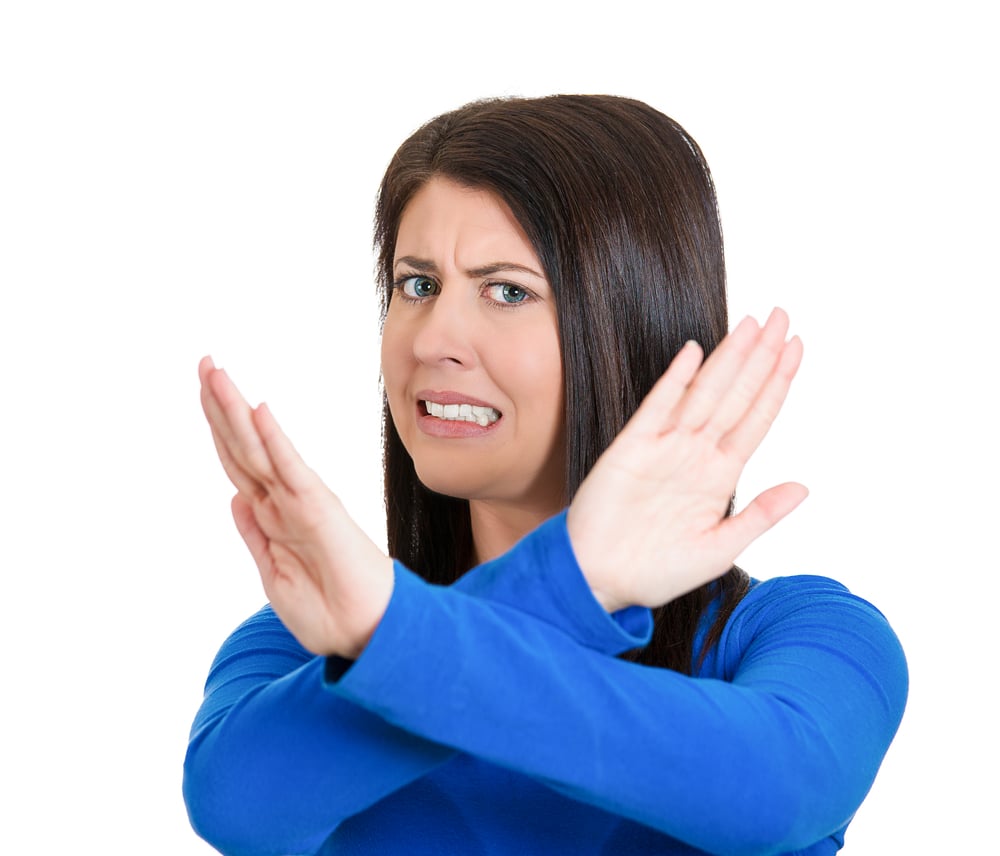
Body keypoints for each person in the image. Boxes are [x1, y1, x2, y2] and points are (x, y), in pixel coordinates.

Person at [183, 95, 908, 856]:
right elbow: (236, 805)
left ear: (629, 321)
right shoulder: (311, 634)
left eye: (508, 291)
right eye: (417, 285)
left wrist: (558, 588)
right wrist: (575, 583)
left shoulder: (801, 636)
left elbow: (774, 793)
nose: (434, 339)